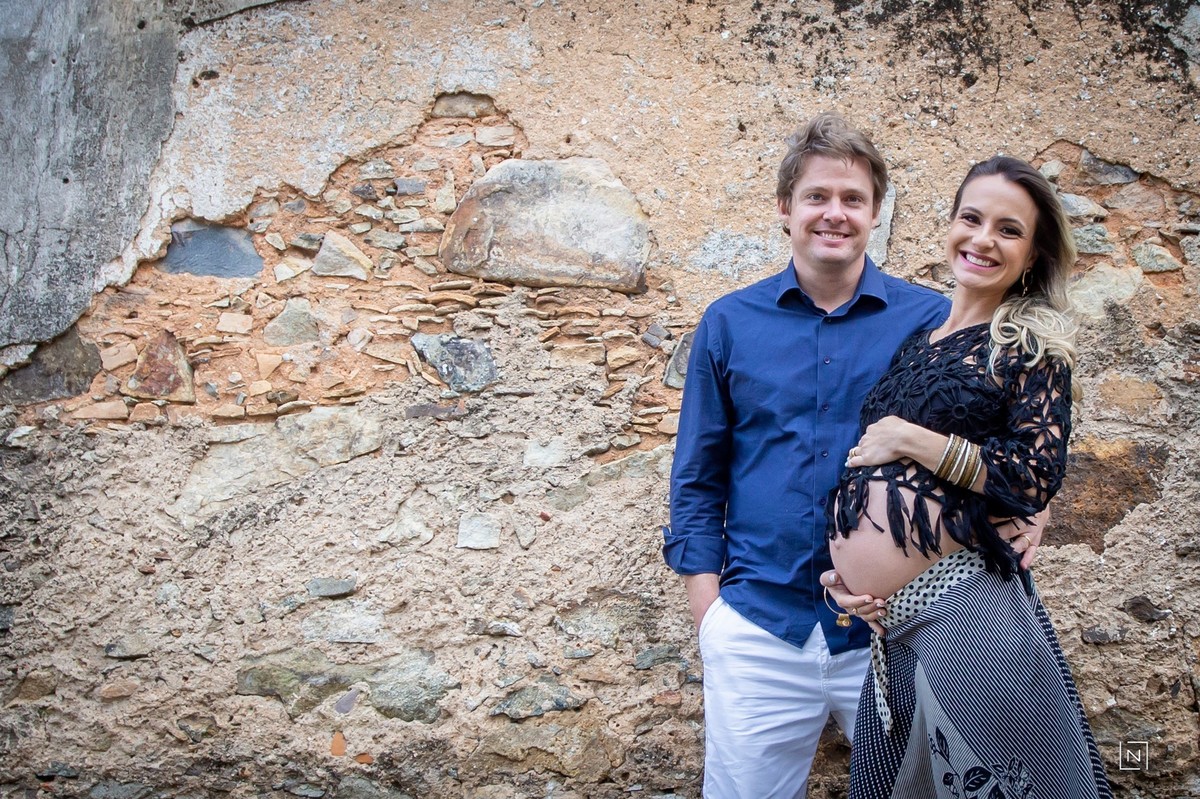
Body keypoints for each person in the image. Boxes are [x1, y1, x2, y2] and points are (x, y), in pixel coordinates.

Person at [663, 112, 990, 797]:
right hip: (759, 628)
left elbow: (994, 449)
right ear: (786, 208)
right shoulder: (729, 323)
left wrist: (1027, 518)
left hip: (900, 628)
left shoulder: (932, 322)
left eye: (852, 198)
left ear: (875, 213)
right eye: (817, 196)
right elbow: (697, 477)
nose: (834, 213)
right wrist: (710, 615)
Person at [824, 156, 1111, 798]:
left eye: (1009, 230)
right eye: (971, 218)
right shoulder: (917, 343)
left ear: (1033, 256)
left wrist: (914, 438)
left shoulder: (1030, 349)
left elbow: (1034, 476)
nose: (983, 239)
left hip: (966, 619)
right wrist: (849, 579)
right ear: (951, 224)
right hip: (893, 630)